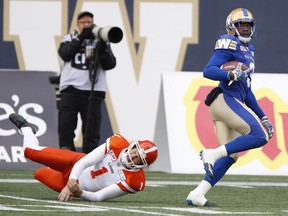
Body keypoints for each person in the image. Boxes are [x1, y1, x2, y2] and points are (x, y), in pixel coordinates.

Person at [186, 8, 274, 207]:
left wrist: (264, 116)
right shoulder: (228, 41)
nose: (245, 29)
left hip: (230, 102)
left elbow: (247, 91)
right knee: (259, 136)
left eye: (248, 25)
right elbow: (209, 71)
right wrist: (230, 75)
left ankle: (197, 194)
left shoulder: (250, 50)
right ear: (231, 27)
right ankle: (212, 153)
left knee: (231, 154)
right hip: (225, 99)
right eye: (240, 25)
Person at [9, 113, 158, 202]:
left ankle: (53, 168)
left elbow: (98, 197)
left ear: (143, 165)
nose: (133, 156)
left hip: (76, 187)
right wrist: (71, 182)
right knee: (29, 152)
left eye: (139, 158)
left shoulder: (135, 181)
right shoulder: (118, 143)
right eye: (135, 151)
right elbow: (86, 161)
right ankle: (27, 129)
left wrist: (79, 192)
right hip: (74, 163)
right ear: (133, 145)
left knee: (39, 174)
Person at [58, 11, 116, 153]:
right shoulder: (69, 38)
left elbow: (110, 64)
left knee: (92, 133)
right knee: (66, 128)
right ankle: (68, 161)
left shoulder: (101, 40)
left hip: (94, 91)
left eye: (89, 22)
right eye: (83, 22)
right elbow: (65, 54)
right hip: (70, 90)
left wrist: (102, 48)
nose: (87, 25)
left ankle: (88, 166)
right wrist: (81, 39)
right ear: (77, 25)